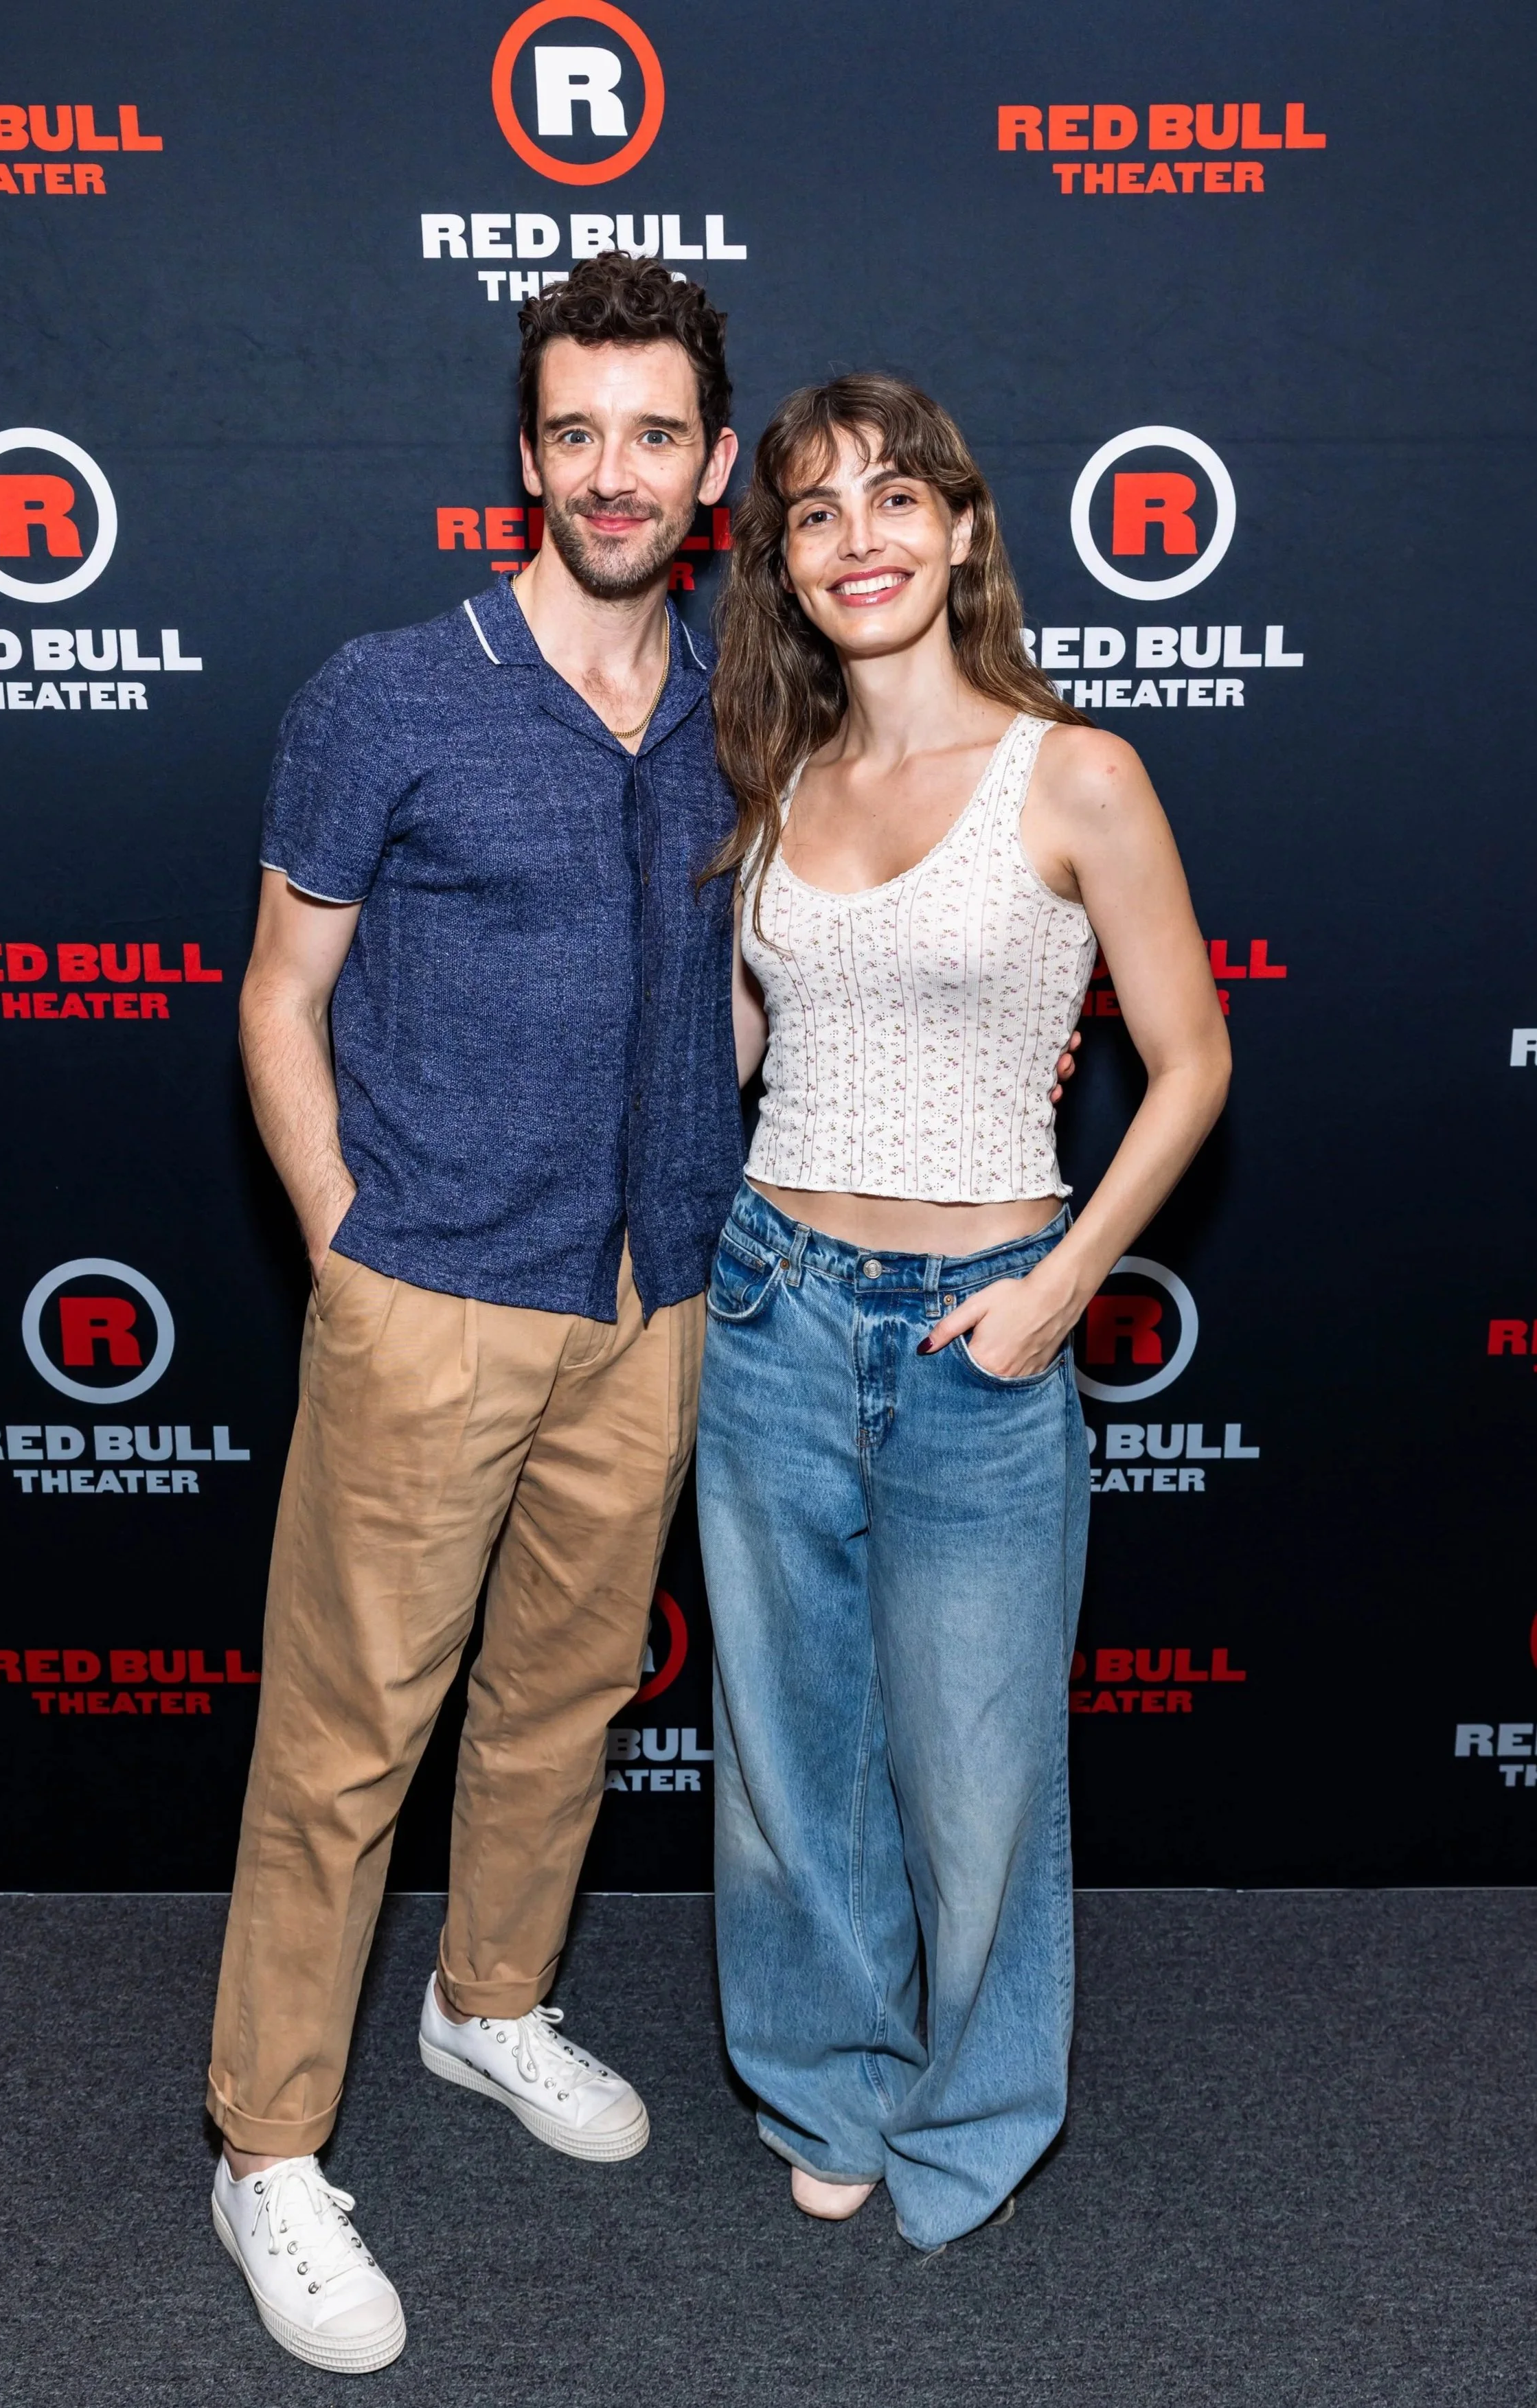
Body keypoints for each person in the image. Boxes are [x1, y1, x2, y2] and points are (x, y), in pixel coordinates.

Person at [204, 255, 745, 2374]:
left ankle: (490, 2003)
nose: (613, 472)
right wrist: (348, 1236)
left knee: (564, 1697)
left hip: (654, 1293)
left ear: (709, 466)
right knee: (346, 1748)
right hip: (430, 1290)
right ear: (528, 454)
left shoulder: (741, 694)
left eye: (655, 434)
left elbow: (739, 976)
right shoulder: (385, 693)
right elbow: (282, 995)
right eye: (575, 431)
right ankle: (266, 2147)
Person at [697, 374, 1231, 2254]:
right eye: (819, 513)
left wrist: (1059, 1287)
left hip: (979, 1336)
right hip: (770, 1305)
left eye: (895, 499)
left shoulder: (1074, 771)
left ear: (961, 531)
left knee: (981, 1765)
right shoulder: (775, 783)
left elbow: (1190, 1062)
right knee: (781, 1763)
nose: (862, 540)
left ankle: (976, 2112)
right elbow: (745, 1053)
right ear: (784, 562)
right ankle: (823, 2076)